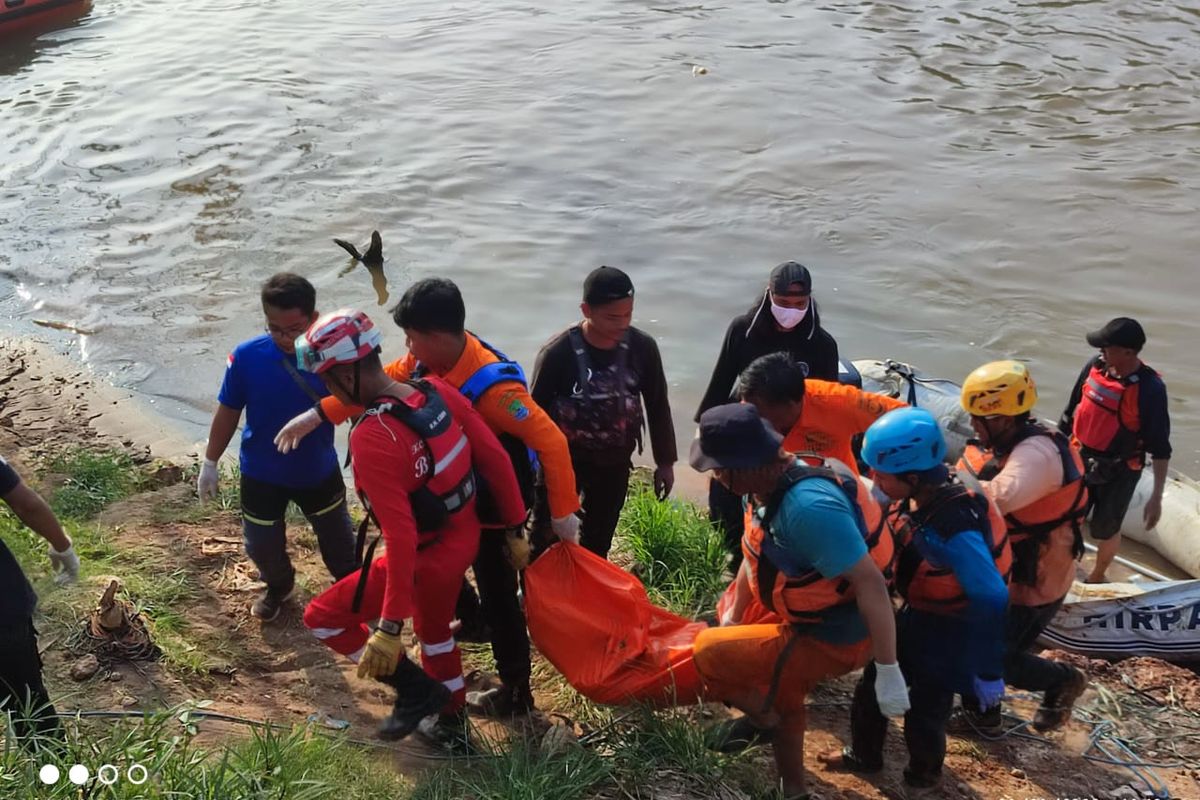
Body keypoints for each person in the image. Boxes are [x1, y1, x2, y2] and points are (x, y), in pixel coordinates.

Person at [276, 278, 579, 718]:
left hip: (473, 522)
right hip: (458, 515)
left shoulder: (490, 392)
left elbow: (548, 442)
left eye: (413, 338)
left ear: (436, 336)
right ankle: (465, 648)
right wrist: (317, 414)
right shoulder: (435, 380)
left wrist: (553, 516)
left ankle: (509, 690)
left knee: (498, 604)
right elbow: (382, 385)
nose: (408, 349)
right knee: (443, 611)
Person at [295, 310, 526, 747]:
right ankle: (448, 714)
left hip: (426, 558)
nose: (327, 389)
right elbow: (493, 454)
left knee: (322, 618)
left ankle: (426, 698)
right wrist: (516, 526)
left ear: (345, 374)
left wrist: (388, 626)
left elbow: (400, 537)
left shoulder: (372, 436)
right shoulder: (432, 390)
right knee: (436, 631)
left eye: (327, 379)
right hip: (464, 537)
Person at [689, 403, 909, 800]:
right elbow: (752, 549)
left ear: (749, 463)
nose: (716, 478)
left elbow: (870, 585)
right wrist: (735, 616)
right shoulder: (762, 486)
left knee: (706, 652)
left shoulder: (808, 509)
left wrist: (888, 667)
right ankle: (790, 784)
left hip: (839, 633)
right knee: (727, 630)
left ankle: (767, 721)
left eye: (720, 468)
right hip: (805, 610)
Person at [821, 407, 1010, 798]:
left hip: (950, 627)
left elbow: (992, 597)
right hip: (916, 613)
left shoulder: (954, 523)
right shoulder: (914, 494)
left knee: (926, 711)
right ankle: (864, 755)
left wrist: (987, 669)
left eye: (880, 474)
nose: (873, 479)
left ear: (911, 478)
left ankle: (922, 778)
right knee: (872, 687)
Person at [198, 273, 358, 621]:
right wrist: (210, 461)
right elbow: (228, 410)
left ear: (314, 320)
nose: (285, 338)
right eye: (275, 329)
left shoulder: (333, 359)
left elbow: (358, 403)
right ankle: (279, 587)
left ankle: (353, 593)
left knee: (340, 546)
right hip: (261, 471)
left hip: (318, 470)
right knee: (260, 545)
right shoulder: (247, 357)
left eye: (294, 329)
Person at [957, 361, 1089, 732]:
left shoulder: (1037, 457)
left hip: (1037, 577)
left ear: (1003, 419)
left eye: (979, 419)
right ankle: (982, 715)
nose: (973, 426)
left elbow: (993, 498)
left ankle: (1062, 680)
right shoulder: (1005, 444)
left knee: (997, 656)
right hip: (1003, 568)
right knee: (975, 641)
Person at [695, 262, 840, 560]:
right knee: (725, 490)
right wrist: (706, 430)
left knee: (778, 501)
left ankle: (778, 556)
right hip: (744, 422)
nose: (791, 310)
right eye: (783, 303)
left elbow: (828, 402)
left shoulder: (822, 345)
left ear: (810, 301)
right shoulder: (743, 331)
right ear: (768, 296)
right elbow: (721, 382)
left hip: (791, 431)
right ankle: (731, 553)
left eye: (800, 304)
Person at [530, 266, 677, 558]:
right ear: (586, 310)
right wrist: (528, 472)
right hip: (563, 463)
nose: (622, 323)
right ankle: (536, 595)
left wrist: (665, 462)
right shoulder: (557, 354)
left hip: (614, 462)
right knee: (544, 536)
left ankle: (588, 596)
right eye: (612, 317)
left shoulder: (643, 348)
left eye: (628, 314)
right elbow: (532, 418)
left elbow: (658, 404)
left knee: (599, 539)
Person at [1058, 317, 1171, 584]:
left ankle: (1097, 576)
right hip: (1080, 458)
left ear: (1129, 353)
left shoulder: (1150, 389)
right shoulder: (1094, 367)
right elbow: (1067, 414)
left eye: (1107, 347)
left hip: (1120, 470)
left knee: (1106, 529)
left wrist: (1156, 498)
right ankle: (1063, 568)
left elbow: (1161, 449)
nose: (1101, 352)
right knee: (1068, 519)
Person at [0, 454, 77, 747]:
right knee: (31, 710)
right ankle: (57, 785)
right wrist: (63, 546)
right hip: (3, 609)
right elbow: (25, 504)